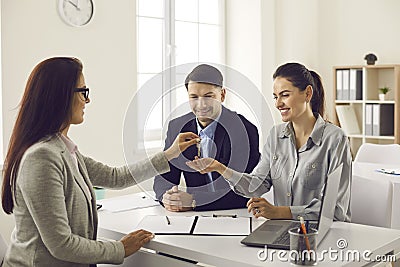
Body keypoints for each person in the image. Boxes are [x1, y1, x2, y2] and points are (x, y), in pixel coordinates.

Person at [1, 57, 199, 267]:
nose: (87, 100)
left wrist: (170, 153)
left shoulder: (63, 149)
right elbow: (61, 245)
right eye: (83, 92)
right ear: (61, 96)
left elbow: (116, 177)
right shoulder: (41, 157)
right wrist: (120, 248)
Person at [187, 62, 351, 221]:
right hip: (283, 230)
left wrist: (279, 212)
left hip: (323, 234)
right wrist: (219, 168)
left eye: (285, 95)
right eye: (275, 97)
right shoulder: (276, 135)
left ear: (308, 93)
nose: (278, 104)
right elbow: (256, 186)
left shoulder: (335, 139)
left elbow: (336, 210)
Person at [153, 64, 261, 211]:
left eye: (208, 97)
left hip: (236, 215)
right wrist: (167, 198)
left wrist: (194, 201)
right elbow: (162, 180)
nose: (201, 104)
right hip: (191, 218)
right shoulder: (177, 127)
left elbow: (247, 191)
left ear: (222, 95)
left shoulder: (245, 130)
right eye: (194, 97)